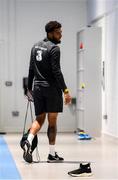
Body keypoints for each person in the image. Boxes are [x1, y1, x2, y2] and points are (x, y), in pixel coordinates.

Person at [22, 21, 72, 163]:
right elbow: (56, 71)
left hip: (37, 88)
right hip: (51, 89)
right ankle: (51, 154)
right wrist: (66, 91)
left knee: (39, 119)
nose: (60, 34)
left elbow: (31, 69)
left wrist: (29, 89)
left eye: (61, 31)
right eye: (58, 32)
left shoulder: (35, 47)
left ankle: (29, 141)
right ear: (50, 33)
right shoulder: (54, 48)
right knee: (52, 122)